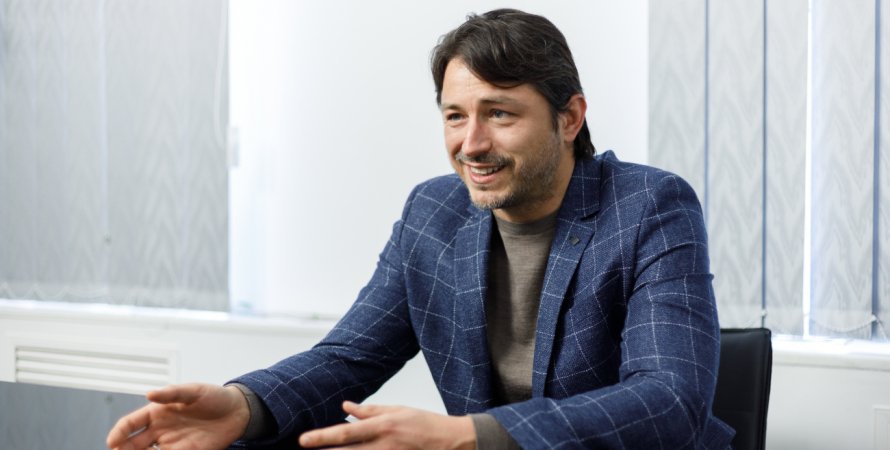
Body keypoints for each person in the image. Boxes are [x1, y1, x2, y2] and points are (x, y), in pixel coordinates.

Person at [107, 8, 733, 450]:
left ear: (569, 119)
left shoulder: (650, 205)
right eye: (455, 116)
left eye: (499, 114)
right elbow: (348, 358)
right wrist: (246, 407)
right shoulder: (434, 213)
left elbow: (668, 399)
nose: (471, 144)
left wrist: (466, 437)